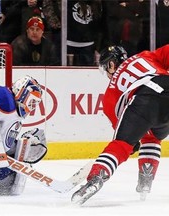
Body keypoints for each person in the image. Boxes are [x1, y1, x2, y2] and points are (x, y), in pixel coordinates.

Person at [71, 45, 169, 205]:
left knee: (120, 145)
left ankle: (96, 178)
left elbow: (126, 135)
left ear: (110, 64)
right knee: (152, 138)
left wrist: (132, 143)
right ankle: (145, 182)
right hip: (165, 84)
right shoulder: (144, 55)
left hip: (144, 98)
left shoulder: (110, 92)